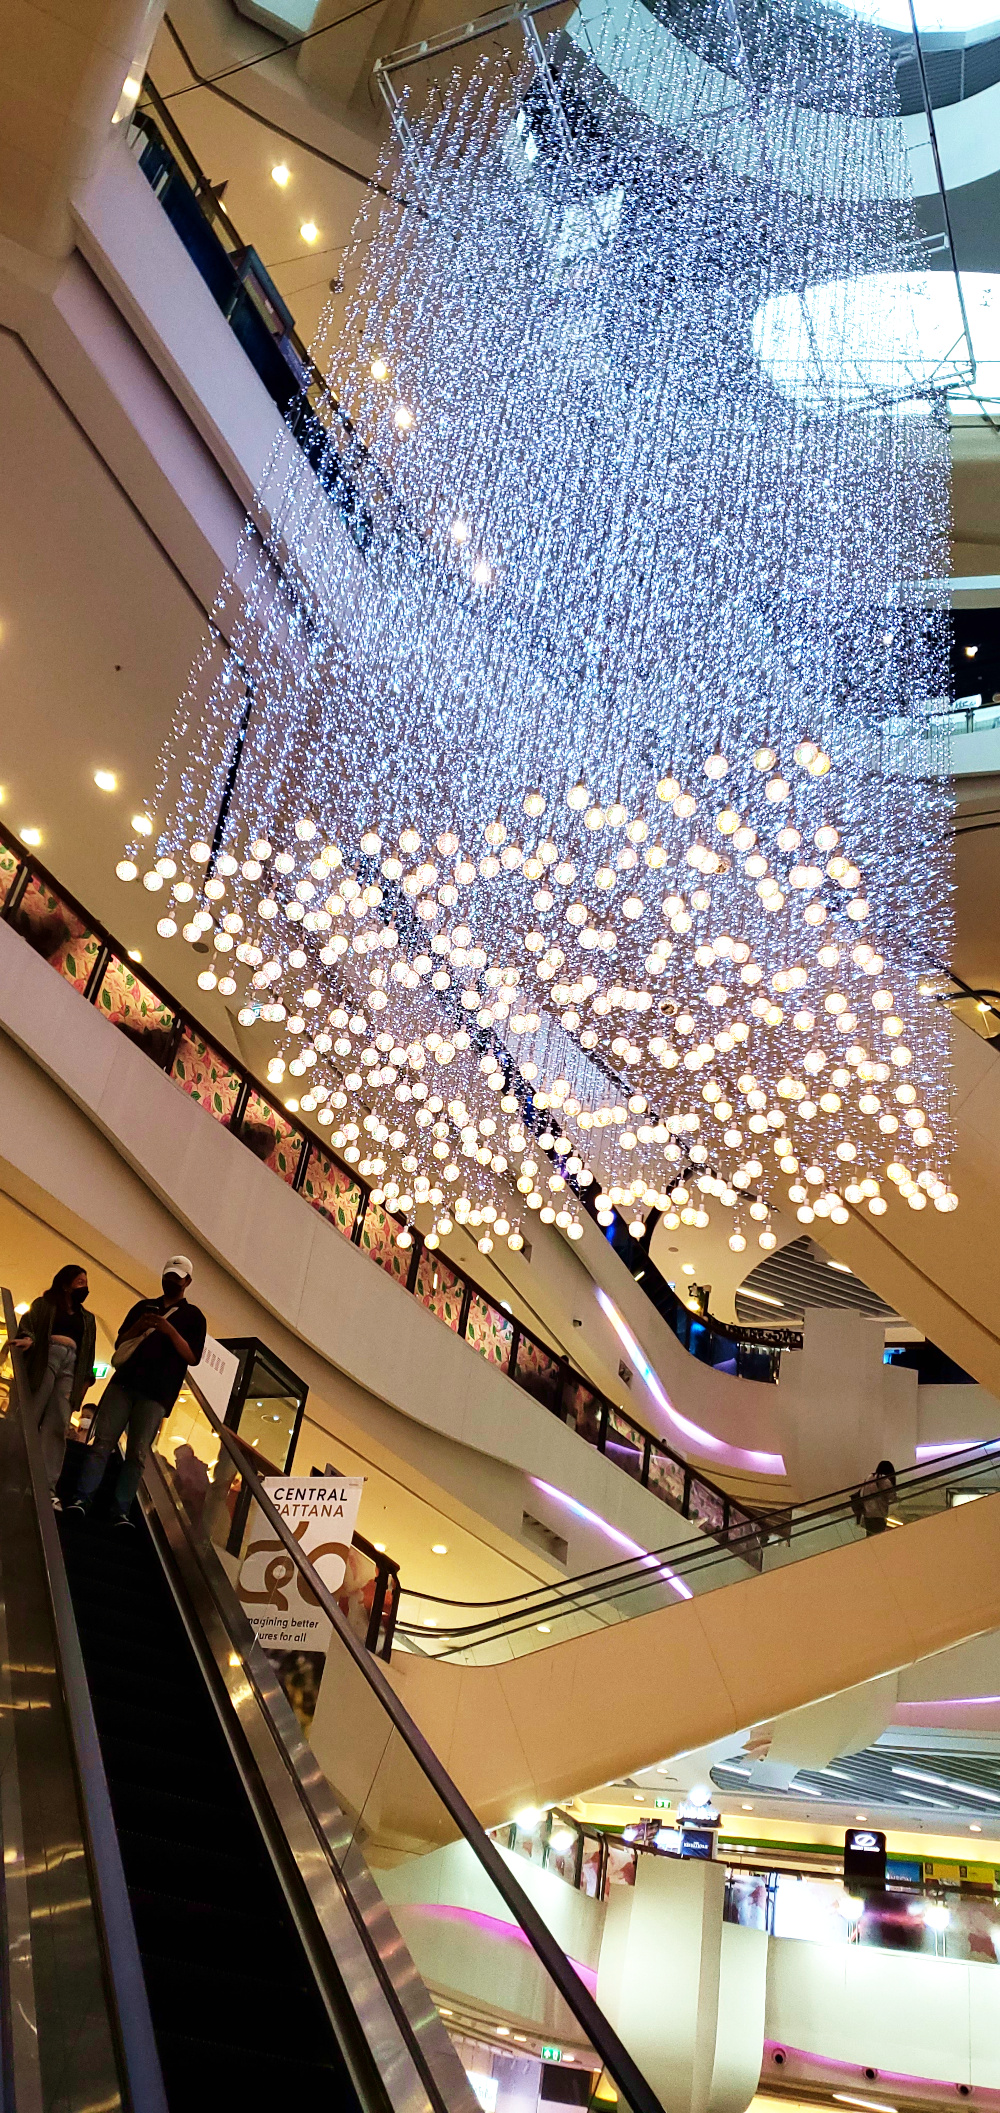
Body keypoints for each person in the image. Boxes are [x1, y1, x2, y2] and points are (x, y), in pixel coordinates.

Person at [68, 1256, 206, 1528]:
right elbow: (121, 1341)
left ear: (187, 1281)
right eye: (168, 1276)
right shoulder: (144, 1307)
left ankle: (120, 1509)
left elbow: (192, 1356)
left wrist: (168, 1330)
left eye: (177, 1278)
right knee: (103, 1442)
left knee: (138, 1453)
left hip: (157, 1394)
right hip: (125, 1383)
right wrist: (139, 1326)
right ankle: (83, 1497)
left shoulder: (193, 1317)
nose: (171, 1282)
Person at [13, 1264, 97, 1504]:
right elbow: (28, 1325)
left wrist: (85, 1384)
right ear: (65, 1284)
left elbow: (88, 1352)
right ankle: (15, 1474)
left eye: (86, 1283)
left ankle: (45, 1487)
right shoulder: (45, 1305)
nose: (85, 1287)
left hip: (71, 1366)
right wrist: (29, 1339)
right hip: (46, 1356)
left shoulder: (87, 1319)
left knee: (58, 1423)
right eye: (80, 1282)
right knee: (31, 1414)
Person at [855, 1459, 897, 1536]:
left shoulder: (869, 1477)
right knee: (879, 1538)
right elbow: (892, 1496)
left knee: (870, 1537)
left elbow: (861, 1493)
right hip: (879, 1515)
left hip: (867, 1515)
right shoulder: (884, 1480)